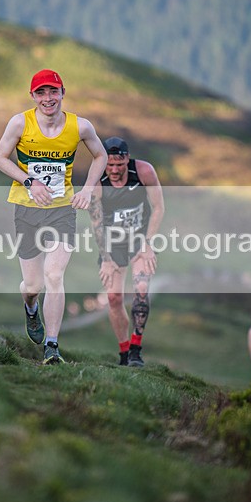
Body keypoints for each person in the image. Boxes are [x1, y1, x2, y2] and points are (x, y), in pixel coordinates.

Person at [0, 69, 107, 365]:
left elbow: (101, 156)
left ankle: (52, 345)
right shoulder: (20, 123)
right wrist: (29, 182)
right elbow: (0, 159)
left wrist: (88, 189)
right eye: (41, 92)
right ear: (32, 96)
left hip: (62, 210)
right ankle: (31, 308)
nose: (48, 98)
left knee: (54, 275)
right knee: (33, 286)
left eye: (53, 91)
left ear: (62, 93)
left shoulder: (80, 126)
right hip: (27, 208)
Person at [88, 137, 164, 366]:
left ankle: (136, 351)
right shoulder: (97, 181)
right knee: (114, 298)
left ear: (127, 159)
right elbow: (96, 223)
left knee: (141, 290)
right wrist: (106, 258)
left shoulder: (143, 172)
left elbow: (158, 207)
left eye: (119, 165)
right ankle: (124, 353)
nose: (114, 170)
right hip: (112, 243)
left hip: (140, 239)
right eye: (109, 165)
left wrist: (148, 244)